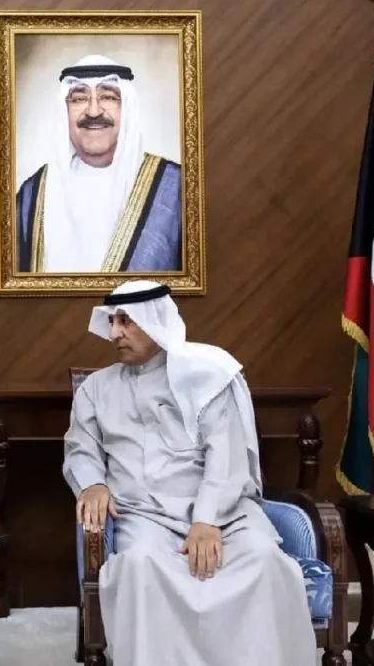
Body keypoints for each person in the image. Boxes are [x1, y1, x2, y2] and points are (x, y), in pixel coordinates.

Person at [62, 280, 315, 666]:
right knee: (139, 566)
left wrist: (207, 520)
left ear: (155, 321)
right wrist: (93, 484)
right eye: (112, 321)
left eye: (126, 321)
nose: (113, 333)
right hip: (143, 516)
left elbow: (226, 454)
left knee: (265, 561)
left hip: (225, 514)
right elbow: (81, 447)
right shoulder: (95, 389)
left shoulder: (208, 375)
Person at [15, 55, 181, 273]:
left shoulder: (176, 188)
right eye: (79, 99)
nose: (94, 111)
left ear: (127, 108)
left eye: (108, 97)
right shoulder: (33, 195)